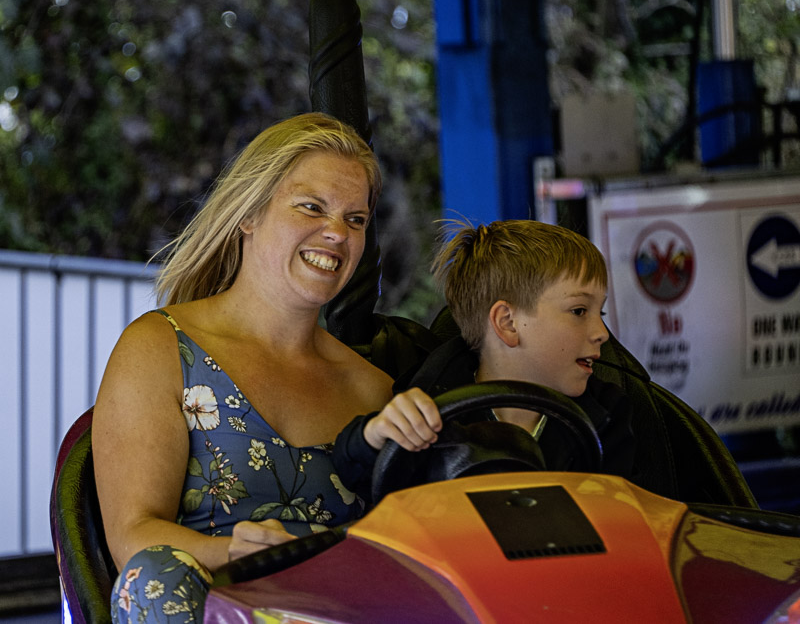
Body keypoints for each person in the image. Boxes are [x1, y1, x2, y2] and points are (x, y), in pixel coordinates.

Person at [92, 112, 441, 623]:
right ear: (249, 214)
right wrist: (233, 551)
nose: (337, 233)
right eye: (312, 207)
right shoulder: (162, 347)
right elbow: (133, 535)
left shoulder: (374, 389)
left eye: (356, 220)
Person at [333, 218, 637, 499]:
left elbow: (615, 516)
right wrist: (374, 435)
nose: (602, 333)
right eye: (579, 311)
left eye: (600, 312)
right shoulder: (429, 407)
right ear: (508, 323)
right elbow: (359, 473)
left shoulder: (607, 415)